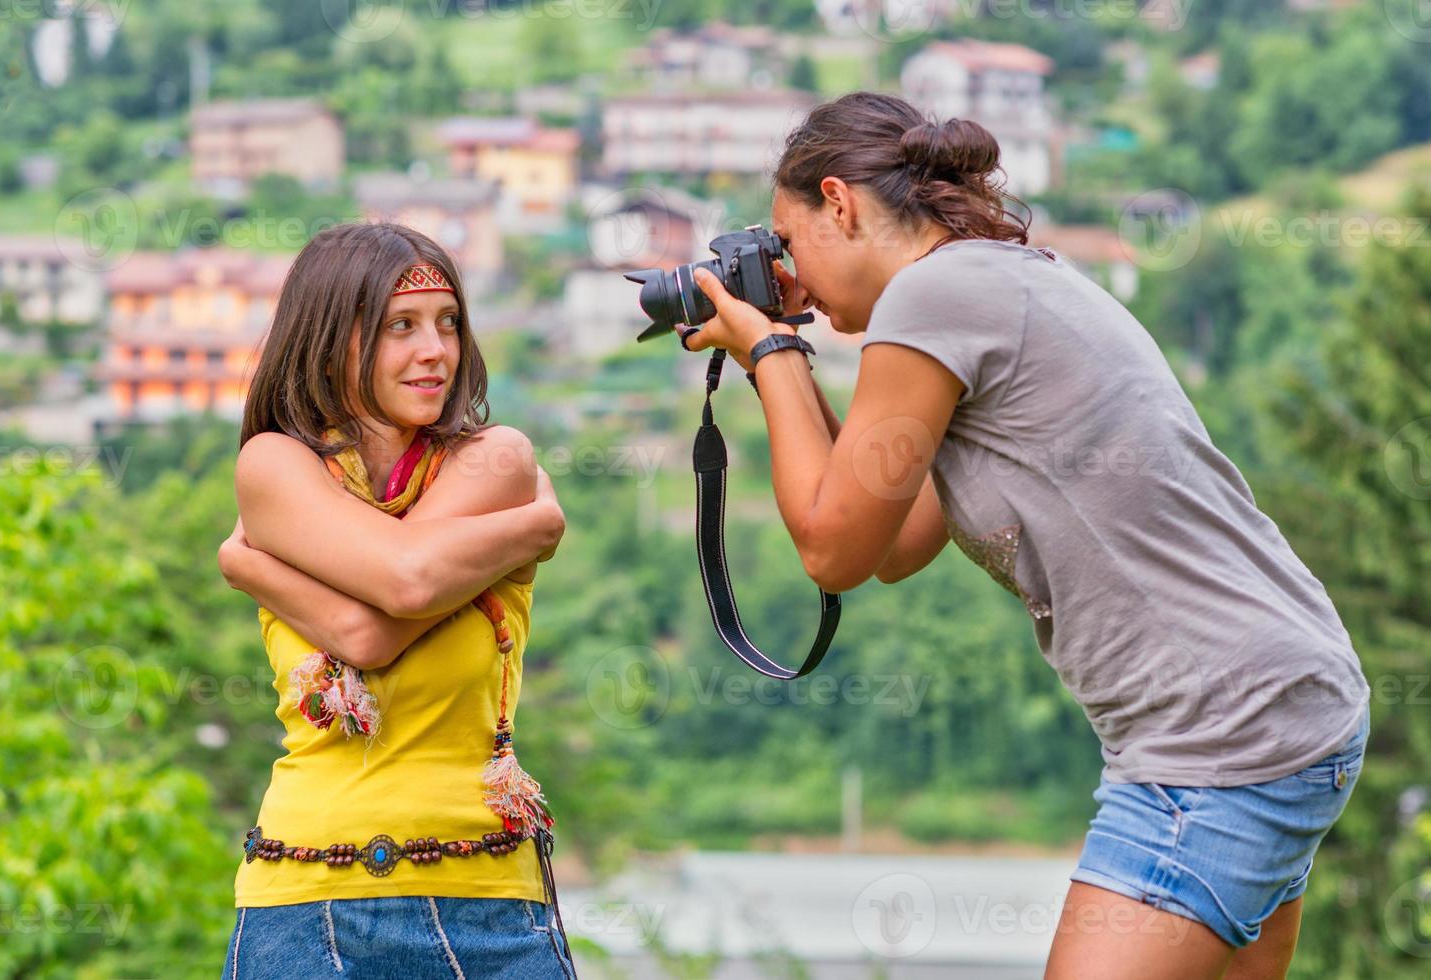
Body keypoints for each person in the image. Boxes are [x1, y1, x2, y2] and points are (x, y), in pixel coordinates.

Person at [677, 91, 1371, 980]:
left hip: (1217, 731)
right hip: (1273, 696)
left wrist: (770, 352)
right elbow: (891, 545)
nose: (791, 276)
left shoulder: (934, 296)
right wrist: (771, 351)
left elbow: (831, 550)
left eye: (790, 240)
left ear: (840, 203)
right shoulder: (994, 279)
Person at [215, 222, 575, 978]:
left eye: (448, 324)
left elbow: (394, 596)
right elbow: (385, 613)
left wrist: (252, 565)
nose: (434, 350)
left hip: (490, 907)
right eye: (397, 328)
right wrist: (533, 527)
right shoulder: (275, 465)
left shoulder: (496, 460)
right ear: (327, 340)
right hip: (304, 907)